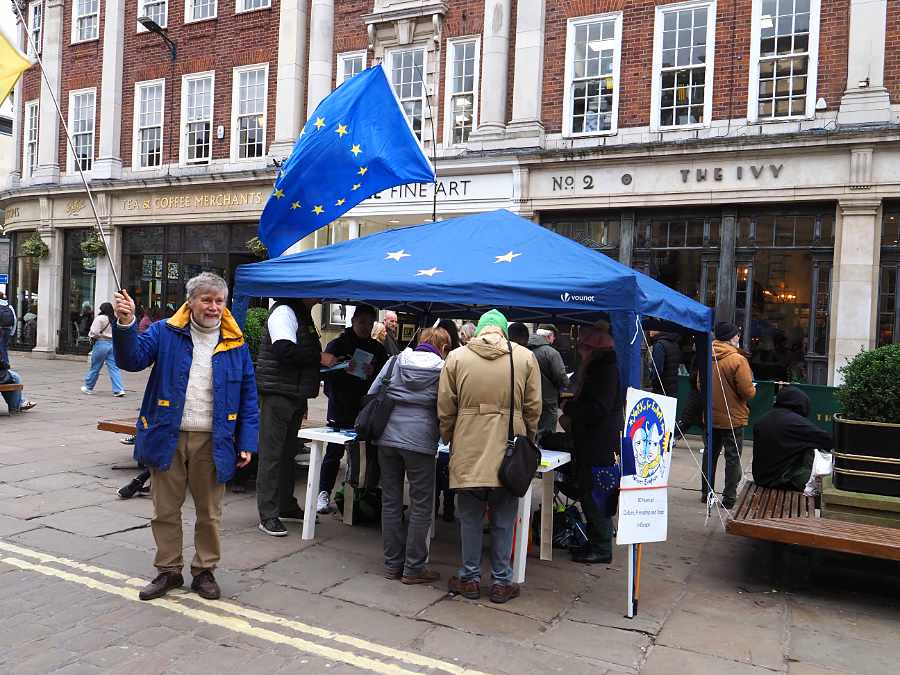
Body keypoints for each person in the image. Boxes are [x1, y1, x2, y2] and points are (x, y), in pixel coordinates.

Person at [113, 273, 258, 601]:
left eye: (219, 300)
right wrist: (126, 323)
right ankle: (168, 570)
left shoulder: (235, 342)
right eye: (206, 299)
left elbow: (249, 395)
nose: (214, 307)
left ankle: (204, 570)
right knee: (165, 509)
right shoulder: (165, 332)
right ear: (190, 302)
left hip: (215, 439)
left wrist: (248, 441)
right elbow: (131, 359)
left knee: (210, 512)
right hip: (168, 434)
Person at [438, 309, 541, 604]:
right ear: (503, 332)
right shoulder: (524, 358)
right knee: (504, 517)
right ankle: (500, 581)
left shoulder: (456, 357)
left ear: (480, 330)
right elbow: (534, 407)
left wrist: (448, 435)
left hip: (468, 444)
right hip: (507, 447)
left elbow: (445, 406)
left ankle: (469, 578)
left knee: (469, 517)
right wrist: (528, 436)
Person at [372, 326, 450, 584]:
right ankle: (414, 568)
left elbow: (374, 392)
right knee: (421, 505)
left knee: (391, 501)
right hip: (420, 441)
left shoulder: (395, 361)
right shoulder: (443, 370)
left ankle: (392, 565)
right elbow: (447, 407)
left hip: (387, 438)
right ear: (443, 347)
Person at [255, 297, 334, 536]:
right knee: (273, 455)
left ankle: (285, 505)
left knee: (288, 453)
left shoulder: (299, 312)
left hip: (292, 393)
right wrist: (318, 359)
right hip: (279, 393)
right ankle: (268, 514)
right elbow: (284, 350)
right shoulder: (284, 311)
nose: (320, 296)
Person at [318, 304, 388, 513]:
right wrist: (343, 369)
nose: (366, 327)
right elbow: (325, 373)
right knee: (334, 452)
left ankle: (357, 495)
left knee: (364, 454)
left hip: (366, 408)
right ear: (353, 321)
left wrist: (373, 371)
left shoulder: (377, 348)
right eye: (362, 322)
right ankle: (323, 493)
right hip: (340, 406)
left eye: (370, 323)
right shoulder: (337, 344)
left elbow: (385, 377)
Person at [561, 326, 621, 564]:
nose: (580, 351)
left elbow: (598, 409)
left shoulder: (603, 370)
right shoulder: (603, 368)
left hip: (598, 442)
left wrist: (571, 408)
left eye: (583, 347)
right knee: (592, 493)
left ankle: (601, 546)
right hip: (596, 440)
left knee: (596, 494)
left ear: (594, 349)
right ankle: (595, 541)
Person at [704, 321, 756, 509]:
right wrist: (752, 389)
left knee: (710, 454)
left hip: (711, 416)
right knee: (732, 458)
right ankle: (729, 497)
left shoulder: (707, 356)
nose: (738, 338)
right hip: (733, 418)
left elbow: (701, 386)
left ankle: (706, 493)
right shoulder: (737, 360)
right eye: (736, 335)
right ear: (730, 337)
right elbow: (747, 392)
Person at [753, 386, 833, 491]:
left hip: (761, 477)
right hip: (780, 480)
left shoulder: (763, 419)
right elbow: (828, 441)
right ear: (802, 405)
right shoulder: (795, 423)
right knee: (828, 481)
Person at [528, 324, 569, 439]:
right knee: (546, 435)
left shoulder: (524, 349)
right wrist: (566, 384)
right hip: (547, 400)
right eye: (554, 336)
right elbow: (561, 377)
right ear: (549, 336)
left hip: (526, 397)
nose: (554, 339)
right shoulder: (551, 353)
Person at [81, 302, 126, 397]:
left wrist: (96, 336)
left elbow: (94, 332)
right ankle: (119, 389)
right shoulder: (114, 319)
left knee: (95, 366)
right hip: (112, 344)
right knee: (114, 368)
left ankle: (88, 387)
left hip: (101, 343)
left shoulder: (99, 318)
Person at [647, 329, 681, 397]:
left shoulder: (659, 345)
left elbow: (658, 370)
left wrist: (651, 382)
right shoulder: (675, 343)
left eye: (652, 328)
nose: (649, 331)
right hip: (672, 389)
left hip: (661, 390)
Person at [0, 291, 16, 363]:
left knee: (1, 347)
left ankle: (5, 363)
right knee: (4, 347)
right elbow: (15, 319)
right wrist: (12, 332)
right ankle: (5, 362)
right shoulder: (9, 306)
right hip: (8, 329)